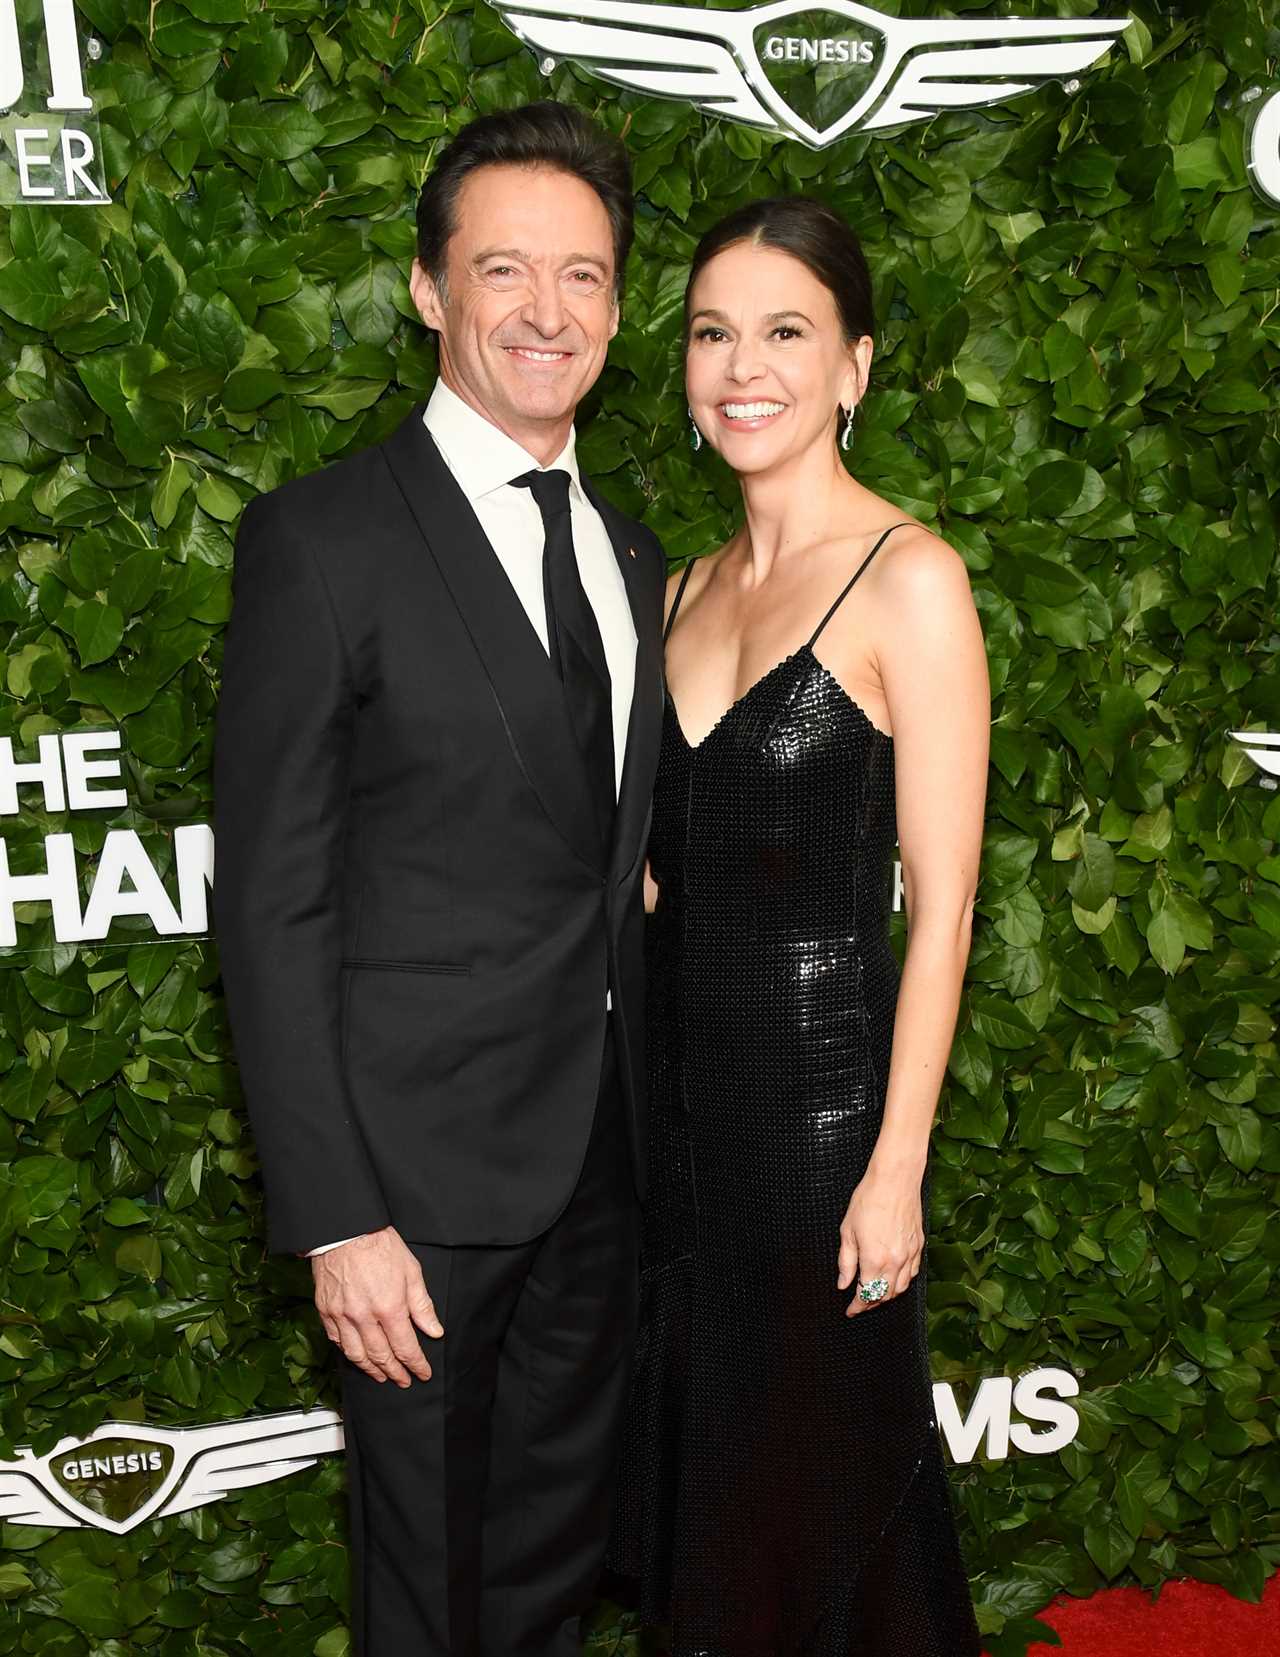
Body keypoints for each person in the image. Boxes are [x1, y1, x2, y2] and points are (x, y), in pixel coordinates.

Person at [213, 102, 666, 1657]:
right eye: (505, 271)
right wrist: (336, 1212)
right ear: (429, 288)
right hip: (413, 1195)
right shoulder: (319, 541)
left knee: (548, 1566)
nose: (549, 312)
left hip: (602, 1158)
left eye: (586, 277)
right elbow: (270, 902)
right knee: (429, 1592)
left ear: (619, 303)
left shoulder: (625, 537)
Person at [608, 196, 989, 1654]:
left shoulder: (914, 580)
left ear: (855, 368)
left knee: (830, 1497)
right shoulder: (681, 591)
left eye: (785, 331)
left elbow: (944, 906)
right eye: (713, 332)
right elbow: (657, 882)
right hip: (680, 1137)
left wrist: (896, 1167)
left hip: (830, 1133)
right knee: (711, 1496)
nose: (741, 365)